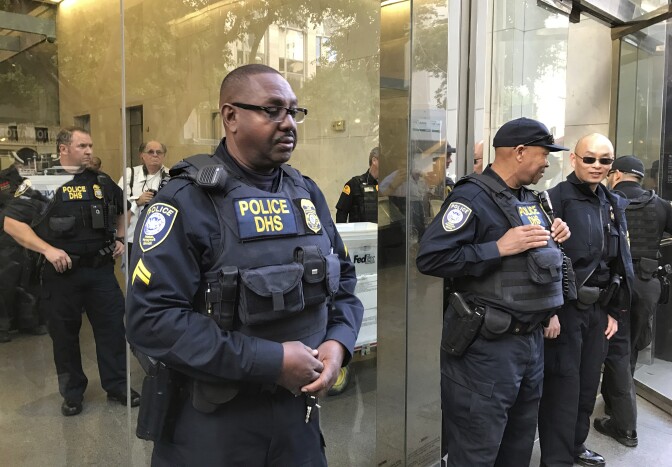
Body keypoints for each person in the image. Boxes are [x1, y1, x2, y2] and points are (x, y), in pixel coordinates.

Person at [125, 64, 364, 466]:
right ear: (230, 116)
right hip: (214, 427)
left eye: (293, 111)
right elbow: (151, 320)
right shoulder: (186, 201)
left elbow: (344, 283)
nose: (288, 123)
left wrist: (338, 344)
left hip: (297, 421)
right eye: (272, 110)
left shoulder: (305, 193)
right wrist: (271, 362)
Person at [416, 117, 571, 466]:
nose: (548, 162)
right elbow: (431, 257)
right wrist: (496, 248)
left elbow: (538, 265)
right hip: (486, 350)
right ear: (518, 152)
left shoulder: (531, 200)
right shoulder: (471, 196)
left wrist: (554, 234)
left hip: (530, 345)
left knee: (517, 446)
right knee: (476, 450)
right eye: (544, 153)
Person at [3, 127, 140, 416]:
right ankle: (73, 393)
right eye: (82, 146)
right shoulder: (44, 182)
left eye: (90, 145)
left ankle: (117, 386)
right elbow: (12, 223)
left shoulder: (101, 181)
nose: (90, 151)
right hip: (62, 275)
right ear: (64, 149)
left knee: (113, 330)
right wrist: (47, 250)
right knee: (64, 335)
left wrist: (118, 237)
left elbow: (125, 210)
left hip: (101, 272)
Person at [538, 133, 634, 467]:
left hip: (598, 310)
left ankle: (575, 446)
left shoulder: (611, 202)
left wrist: (613, 311)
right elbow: (542, 261)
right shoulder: (553, 199)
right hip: (564, 310)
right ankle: (556, 458)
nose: (596, 166)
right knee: (562, 387)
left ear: (612, 165)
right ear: (573, 159)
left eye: (604, 160)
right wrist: (549, 313)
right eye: (589, 158)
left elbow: (618, 260)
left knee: (587, 384)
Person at [596, 155, 672, 447]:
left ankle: (625, 426)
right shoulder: (660, 205)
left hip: (614, 285)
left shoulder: (606, 200)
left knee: (616, 349)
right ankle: (616, 406)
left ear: (615, 175)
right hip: (648, 285)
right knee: (630, 348)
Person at [0, 167, 48, 342]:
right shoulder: (15, 183)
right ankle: (25, 323)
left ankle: (15, 325)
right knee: (18, 284)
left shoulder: (22, 184)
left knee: (20, 284)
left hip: (16, 241)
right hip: (15, 241)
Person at [118, 141, 168, 257]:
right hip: (132, 237)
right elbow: (119, 204)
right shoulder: (130, 174)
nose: (155, 155)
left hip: (160, 238)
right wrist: (137, 201)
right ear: (142, 156)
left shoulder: (170, 175)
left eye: (159, 152)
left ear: (163, 155)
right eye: (150, 152)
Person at [335, 146, 379, 223]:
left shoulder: (387, 185)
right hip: (360, 234)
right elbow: (341, 213)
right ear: (374, 161)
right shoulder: (354, 184)